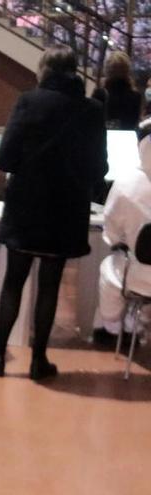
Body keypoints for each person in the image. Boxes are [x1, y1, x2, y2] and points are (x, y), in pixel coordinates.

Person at [0, 45, 108, 380]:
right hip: (67, 212)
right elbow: (99, 167)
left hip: (26, 209)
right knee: (49, 286)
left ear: (45, 68)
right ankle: (39, 361)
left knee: (13, 283)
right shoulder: (92, 110)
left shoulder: (29, 101)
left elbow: (5, 158)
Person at [95, 130, 151, 346]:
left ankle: (114, 324)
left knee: (109, 267)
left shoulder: (127, 183)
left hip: (135, 275)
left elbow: (111, 233)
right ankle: (138, 320)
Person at [91, 51, 143, 131]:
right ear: (127, 70)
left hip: (103, 139)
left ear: (107, 70)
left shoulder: (99, 94)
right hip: (126, 139)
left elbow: (94, 122)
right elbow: (134, 124)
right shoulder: (136, 96)